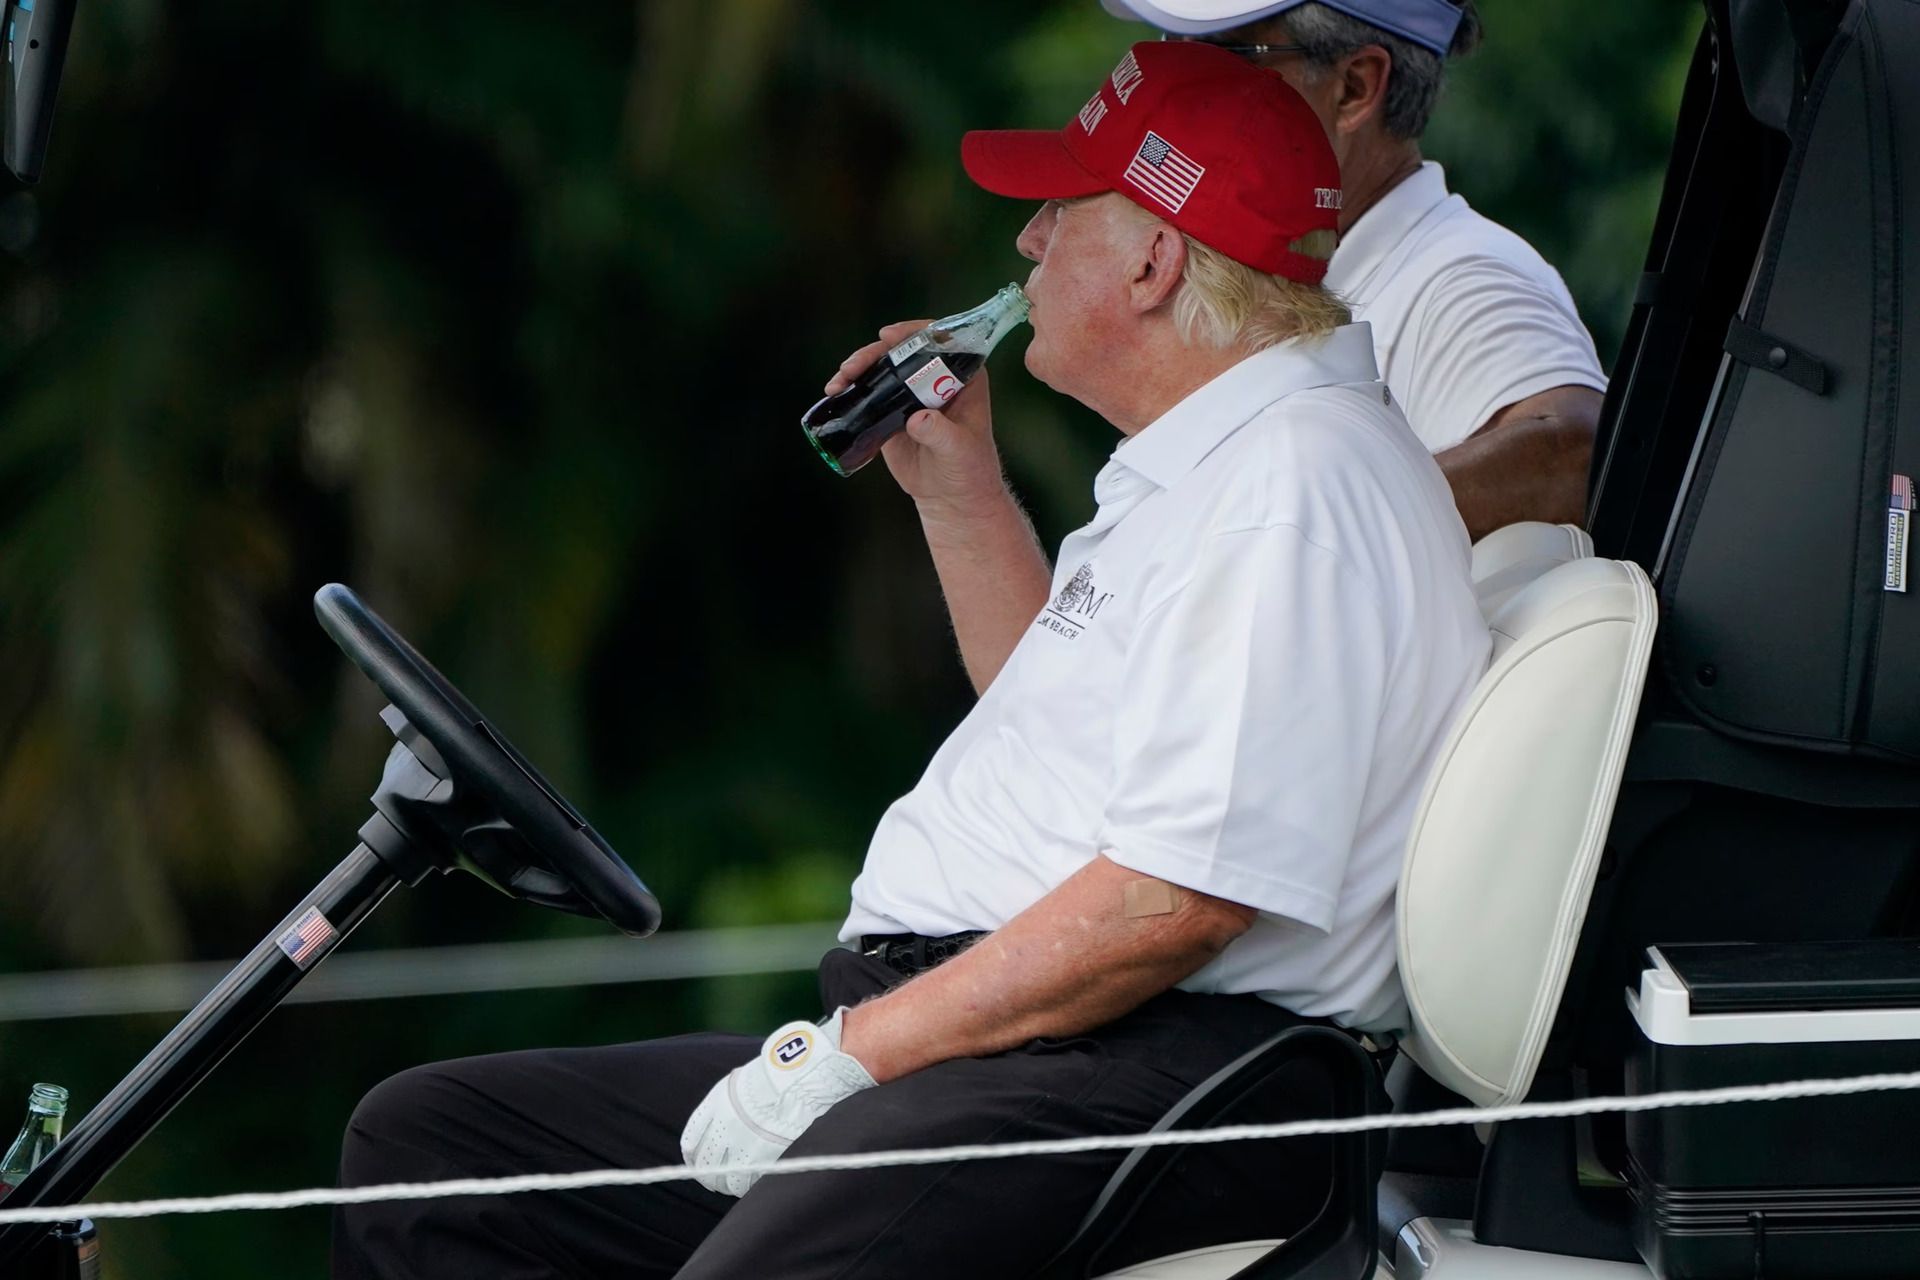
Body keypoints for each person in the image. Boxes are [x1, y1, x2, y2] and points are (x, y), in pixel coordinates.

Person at [331, 42, 1489, 1280]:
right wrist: (960, 491)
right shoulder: (1226, 462)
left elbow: (1174, 902)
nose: (1027, 242)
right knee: (429, 1149)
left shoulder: (1289, 490)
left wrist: (852, 1053)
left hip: (1154, 1066)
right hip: (1049, 1044)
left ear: (1155, 260)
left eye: (1060, 212)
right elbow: (1063, 734)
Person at [1103, 0, 1608, 541]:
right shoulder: (1296, 274)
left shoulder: (1466, 279)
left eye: (1223, 58)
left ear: (1354, 88)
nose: (1175, 92)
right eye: (1172, 52)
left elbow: (1576, 454)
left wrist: (1281, 541)